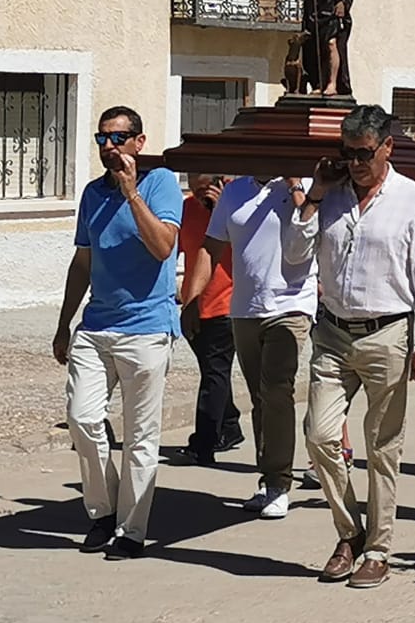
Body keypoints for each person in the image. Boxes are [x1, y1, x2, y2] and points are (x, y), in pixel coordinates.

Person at [286, 104, 415, 589]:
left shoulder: (411, 199)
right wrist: (313, 196)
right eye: (348, 152)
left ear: (387, 148)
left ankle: (378, 549)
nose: (356, 162)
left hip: (387, 334)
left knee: (382, 448)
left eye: (364, 153)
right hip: (333, 333)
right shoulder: (329, 195)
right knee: (318, 435)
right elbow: (295, 256)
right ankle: (349, 531)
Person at [52, 107, 182, 561]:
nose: (109, 147)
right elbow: (83, 261)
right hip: (97, 325)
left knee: (142, 436)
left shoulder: (160, 183)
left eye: (119, 138)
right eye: (102, 139)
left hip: (147, 329)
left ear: (139, 142)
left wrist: (131, 194)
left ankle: (131, 530)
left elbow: (164, 246)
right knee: (83, 420)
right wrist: (64, 322)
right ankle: (103, 511)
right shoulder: (91, 194)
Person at [197, 173, 318, 517]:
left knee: (277, 390)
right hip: (245, 308)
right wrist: (193, 298)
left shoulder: (306, 186)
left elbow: (311, 231)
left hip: (292, 304)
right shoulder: (234, 191)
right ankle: (268, 479)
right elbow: (211, 246)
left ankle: (280, 483)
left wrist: (295, 183)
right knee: (260, 397)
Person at [168, 173, 243, 466]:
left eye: (208, 187)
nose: (203, 195)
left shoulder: (235, 211)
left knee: (214, 373)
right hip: (194, 305)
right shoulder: (187, 209)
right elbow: (174, 251)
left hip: (227, 304)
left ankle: (204, 441)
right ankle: (230, 424)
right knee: (213, 370)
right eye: (197, 189)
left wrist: (222, 211)